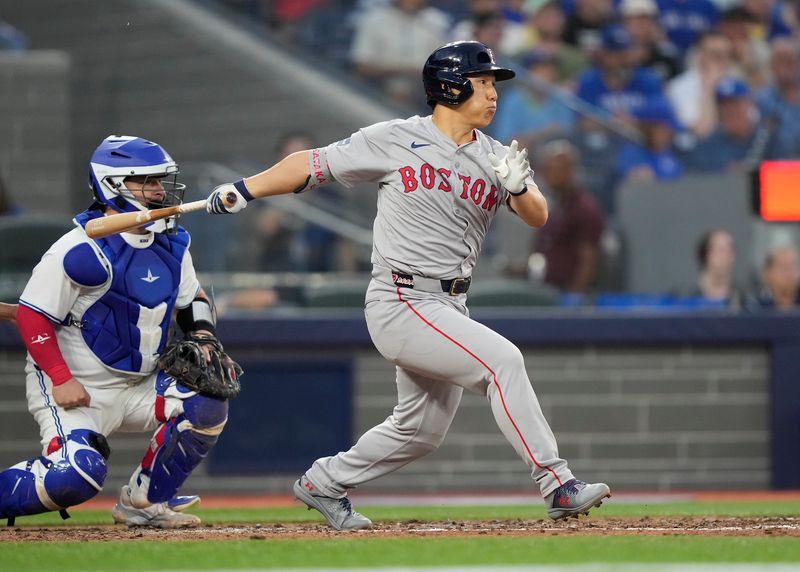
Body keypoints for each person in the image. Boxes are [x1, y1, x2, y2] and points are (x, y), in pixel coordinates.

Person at [205, 40, 611, 530]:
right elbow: (311, 165)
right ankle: (556, 482)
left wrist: (519, 187)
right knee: (503, 361)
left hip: (450, 304)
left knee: (420, 431)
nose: (492, 92)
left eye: (491, 84)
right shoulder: (395, 138)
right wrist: (244, 189)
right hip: (401, 297)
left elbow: (538, 216)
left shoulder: (496, 154)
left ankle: (324, 481)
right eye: (481, 82)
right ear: (450, 86)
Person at [0, 136, 235, 528]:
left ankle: (143, 502)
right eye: (148, 181)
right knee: (77, 478)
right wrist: (60, 379)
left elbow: (191, 299)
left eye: (161, 180)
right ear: (113, 184)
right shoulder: (79, 249)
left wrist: (205, 334)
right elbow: (32, 316)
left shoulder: (173, 243)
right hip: (79, 389)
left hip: (141, 383)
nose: (160, 190)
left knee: (208, 403)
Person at [533, 140, 605, 293]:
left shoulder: (585, 208)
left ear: (571, 171)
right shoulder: (554, 206)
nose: (549, 175)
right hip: (545, 289)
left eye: (555, 169)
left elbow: (589, 260)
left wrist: (574, 298)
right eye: (547, 169)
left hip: (566, 294)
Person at [666, 31, 734, 139]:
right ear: (700, 56)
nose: (722, 61)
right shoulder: (680, 87)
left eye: (725, 55)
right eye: (716, 55)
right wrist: (708, 88)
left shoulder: (734, 82)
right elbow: (701, 131)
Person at [688, 229, 745, 308]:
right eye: (720, 250)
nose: (726, 256)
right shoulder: (687, 297)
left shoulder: (743, 299)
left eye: (730, 250)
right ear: (705, 255)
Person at [747, 244, 800, 310]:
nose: (789, 273)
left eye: (793, 267)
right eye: (783, 267)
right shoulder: (755, 307)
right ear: (767, 273)